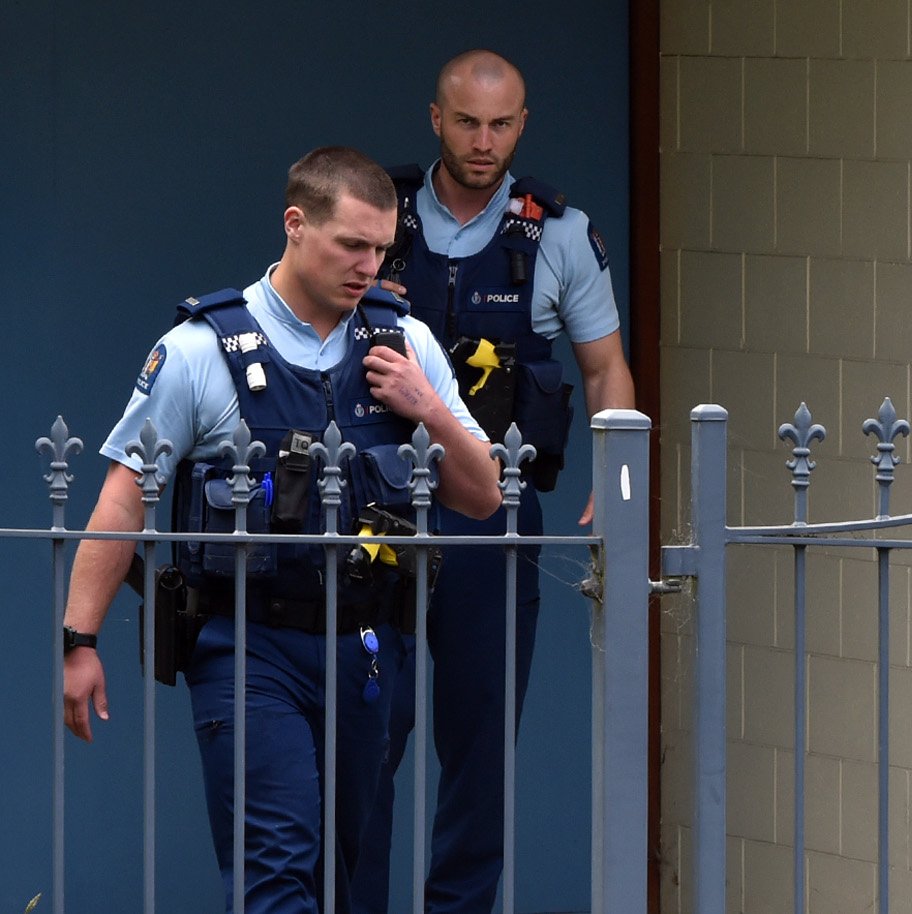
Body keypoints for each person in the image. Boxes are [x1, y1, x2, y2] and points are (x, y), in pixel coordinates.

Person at [60, 146, 502, 914]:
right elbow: (124, 494)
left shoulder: (404, 343)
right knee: (275, 866)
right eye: (350, 245)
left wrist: (427, 406)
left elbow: (482, 498)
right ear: (295, 225)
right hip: (247, 646)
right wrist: (80, 642)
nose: (369, 266)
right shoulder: (203, 350)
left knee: (349, 875)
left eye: (381, 248)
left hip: (366, 646)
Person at [352, 49, 636, 914]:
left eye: (501, 123)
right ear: (435, 120)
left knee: (478, 745)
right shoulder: (371, 211)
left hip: (494, 515)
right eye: (466, 122)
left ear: (522, 125)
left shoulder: (555, 233)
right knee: (368, 727)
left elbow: (604, 371)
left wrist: (618, 486)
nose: (483, 141)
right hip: (374, 508)